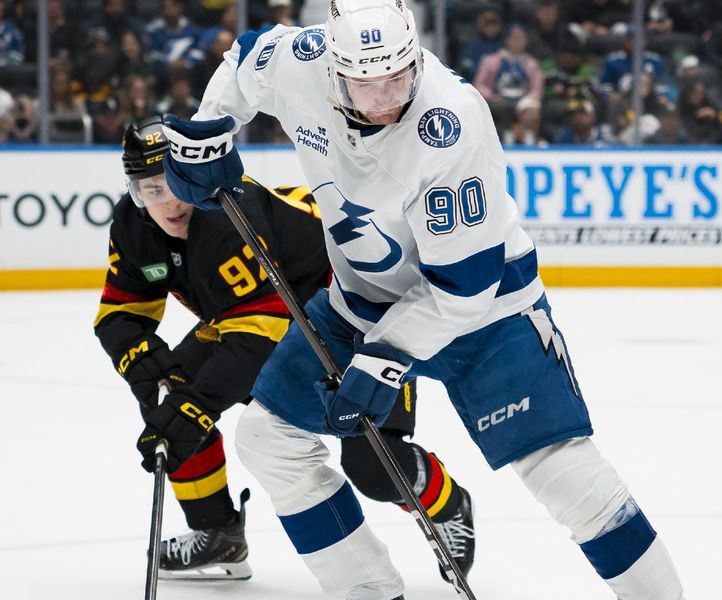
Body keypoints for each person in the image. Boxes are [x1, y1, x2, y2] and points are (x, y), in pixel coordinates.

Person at [159, 1, 687, 598]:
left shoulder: (452, 122)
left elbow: (464, 289)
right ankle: (368, 591)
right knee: (267, 438)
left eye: (399, 75)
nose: (386, 96)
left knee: (562, 470)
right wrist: (210, 130)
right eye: (367, 81)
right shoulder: (303, 62)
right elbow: (246, 57)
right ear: (334, 69)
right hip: (361, 302)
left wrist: (385, 358)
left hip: (489, 314)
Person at [94, 116, 473, 587]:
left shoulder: (226, 214)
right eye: (150, 190)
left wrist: (199, 405)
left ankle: (448, 504)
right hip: (264, 320)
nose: (166, 202)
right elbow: (121, 311)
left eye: (172, 183)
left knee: (373, 465)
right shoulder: (133, 227)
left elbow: (262, 334)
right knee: (172, 403)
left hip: (357, 317)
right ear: (134, 192)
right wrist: (142, 361)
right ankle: (218, 533)